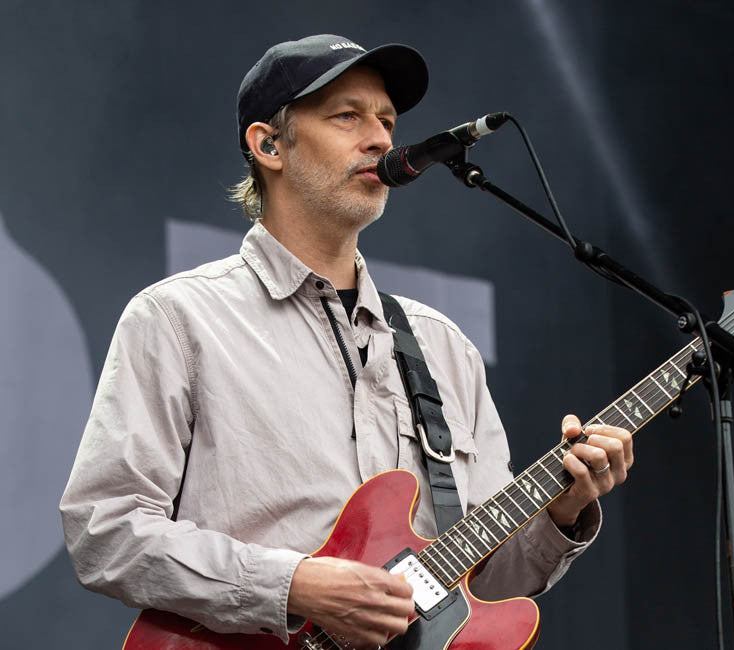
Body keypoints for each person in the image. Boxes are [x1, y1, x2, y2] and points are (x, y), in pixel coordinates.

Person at [59, 34, 634, 649]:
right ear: (269, 145)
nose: (381, 139)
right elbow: (105, 531)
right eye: (347, 116)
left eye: (387, 121)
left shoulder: (444, 348)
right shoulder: (177, 319)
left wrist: (563, 508)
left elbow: (485, 582)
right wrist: (291, 586)